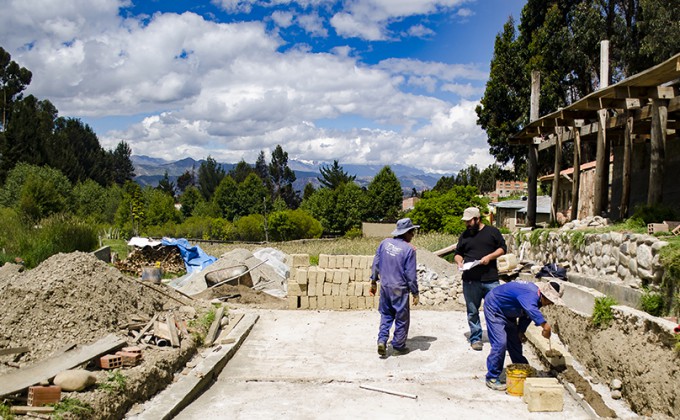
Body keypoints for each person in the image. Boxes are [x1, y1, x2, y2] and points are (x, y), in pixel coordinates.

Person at [483, 280, 564, 391]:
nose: (551, 304)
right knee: (500, 343)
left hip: (508, 311)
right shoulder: (531, 294)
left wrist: (521, 331)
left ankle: (522, 367)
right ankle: (492, 377)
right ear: (545, 295)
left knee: (515, 341)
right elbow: (531, 309)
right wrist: (545, 326)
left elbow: (526, 315)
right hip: (495, 307)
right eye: (550, 301)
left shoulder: (538, 299)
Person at [454, 206, 507, 351]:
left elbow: (503, 248)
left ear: (477, 219)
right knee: (472, 311)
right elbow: (458, 253)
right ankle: (476, 338)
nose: (467, 224)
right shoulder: (464, 235)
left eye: (469, 221)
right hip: (470, 280)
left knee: (496, 310)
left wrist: (489, 257)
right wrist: (459, 261)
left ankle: (497, 338)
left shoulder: (492, 232)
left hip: (490, 279)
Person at [370, 218, 420, 356]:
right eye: (412, 232)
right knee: (402, 318)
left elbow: (376, 264)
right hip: (400, 288)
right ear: (407, 233)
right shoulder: (409, 250)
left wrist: (373, 282)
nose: (413, 235)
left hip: (385, 286)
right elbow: (410, 275)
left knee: (386, 314)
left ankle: (382, 340)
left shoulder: (384, 243)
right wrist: (415, 293)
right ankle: (398, 346)